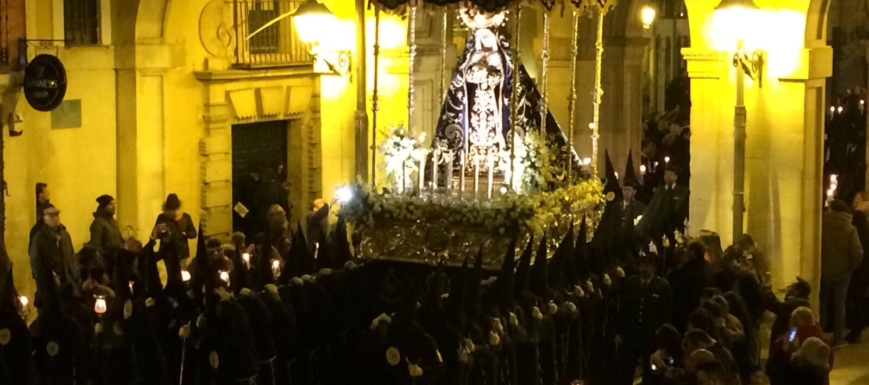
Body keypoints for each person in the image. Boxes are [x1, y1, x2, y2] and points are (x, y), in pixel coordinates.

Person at [618, 251, 672, 385]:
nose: (644, 269)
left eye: (647, 266)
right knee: (627, 368)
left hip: (651, 335)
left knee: (650, 369)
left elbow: (665, 312)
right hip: (631, 334)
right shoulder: (631, 283)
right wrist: (619, 331)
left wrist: (662, 335)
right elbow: (623, 309)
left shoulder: (662, 286)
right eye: (642, 266)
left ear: (654, 268)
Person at [820, 199, 863, 345]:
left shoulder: (821, 225)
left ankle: (820, 332)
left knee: (822, 302)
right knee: (839, 305)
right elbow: (857, 252)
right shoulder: (850, 229)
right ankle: (838, 337)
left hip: (824, 271)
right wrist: (851, 267)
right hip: (843, 273)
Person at [29, 203, 77, 308]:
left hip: (67, 282)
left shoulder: (64, 235)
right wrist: (48, 278)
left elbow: (71, 256)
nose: (55, 218)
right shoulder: (39, 237)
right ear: (44, 218)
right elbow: (36, 262)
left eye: (57, 215)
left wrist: (73, 276)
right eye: (51, 216)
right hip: (48, 285)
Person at [153, 194, 197, 278]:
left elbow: (194, 233)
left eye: (175, 209)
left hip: (181, 252)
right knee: (169, 276)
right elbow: (155, 234)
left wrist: (185, 233)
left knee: (181, 275)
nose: (173, 212)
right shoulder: (162, 218)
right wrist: (162, 233)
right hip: (166, 253)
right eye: (171, 210)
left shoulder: (185, 217)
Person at [88, 194, 124, 277]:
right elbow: (96, 246)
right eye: (110, 204)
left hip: (116, 263)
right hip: (107, 264)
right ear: (104, 206)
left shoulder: (113, 222)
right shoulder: (98, 223)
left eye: (114, 204)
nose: (113, 207)